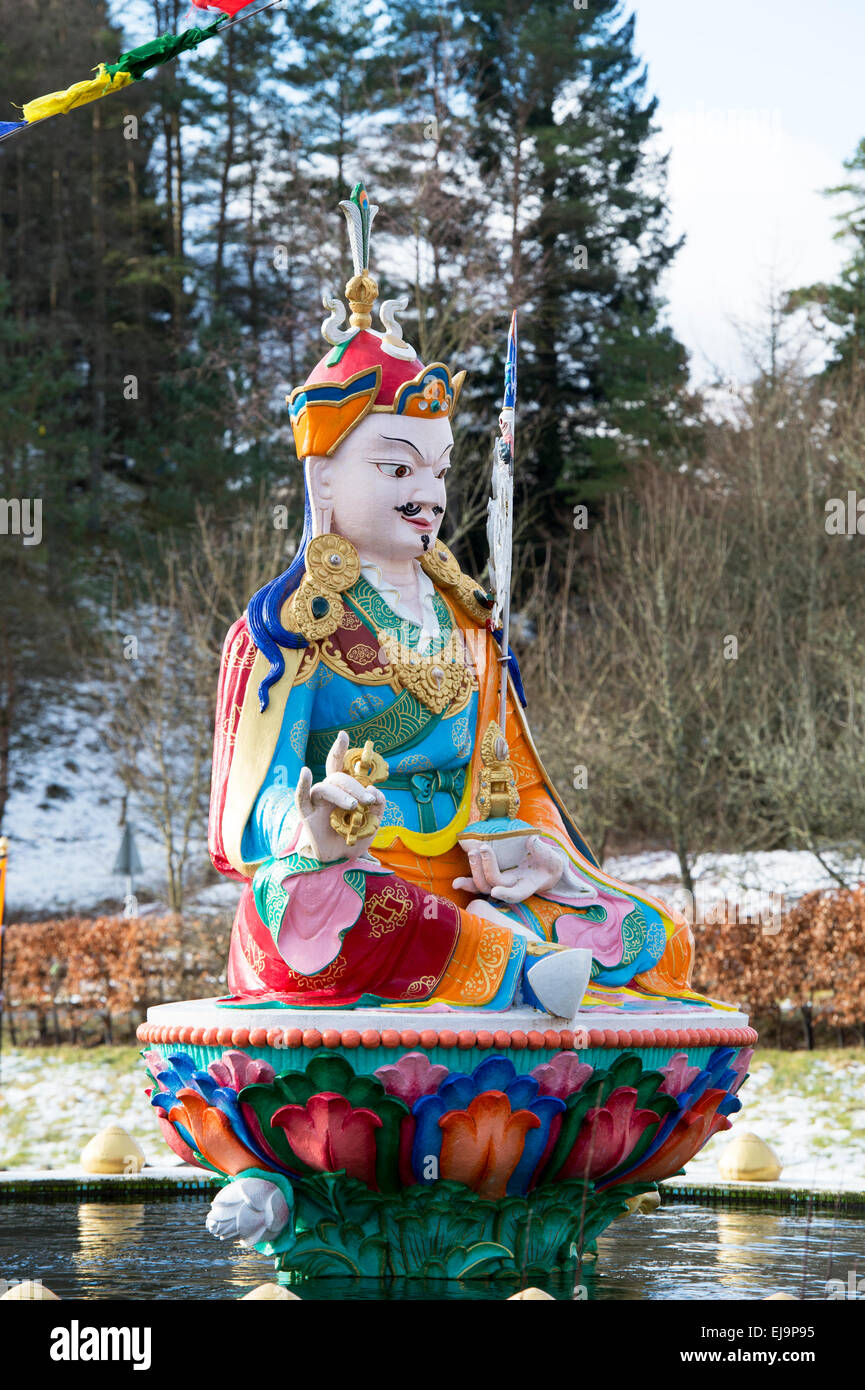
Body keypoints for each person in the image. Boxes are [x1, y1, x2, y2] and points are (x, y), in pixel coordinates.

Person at [208, 185, 711, 1023]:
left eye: (439, 472)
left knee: (653, 933)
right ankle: (509, 972)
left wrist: (536, 853)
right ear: (322, 477)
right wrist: (315, 823)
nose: (427, 494)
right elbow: (243, 816)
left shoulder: (468, 617)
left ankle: (515, 955)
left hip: (477, 879)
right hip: (364, 879)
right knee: (316, 907)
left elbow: (517, 778)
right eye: (397, 469)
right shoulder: (285, 630)